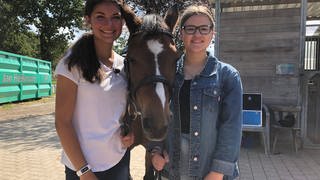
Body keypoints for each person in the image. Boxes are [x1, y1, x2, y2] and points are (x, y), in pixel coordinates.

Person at [151, 4, 243, 180]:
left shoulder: (227, 76)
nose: (197, 35)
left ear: (212, 33)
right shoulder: (167, 72)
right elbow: (157, 114)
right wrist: (154, 151)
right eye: (191, 29)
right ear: (181, 33)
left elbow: (231, 128)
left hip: (208, 171)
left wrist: (218, 171)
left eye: (203, 29)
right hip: (172, 169)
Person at [54, 0, 134, 179]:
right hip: (82, 168)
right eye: (100, 17)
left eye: (115, 17)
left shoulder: (125, 65)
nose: (109, 24)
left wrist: (131, 131)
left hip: (119, 161)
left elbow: (123, 111)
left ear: (122, 22)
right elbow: (62, 123)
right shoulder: (72, 64)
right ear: (88, 20)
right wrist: (84, 171)